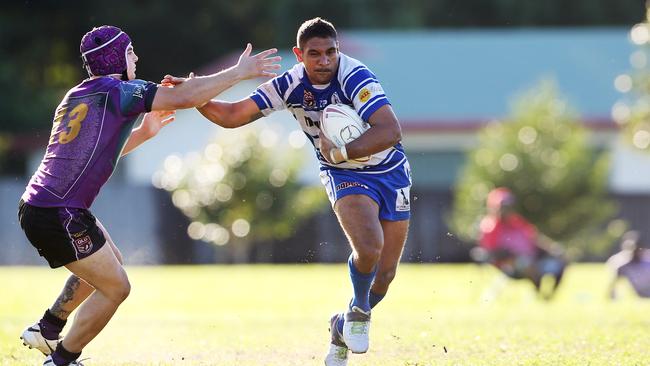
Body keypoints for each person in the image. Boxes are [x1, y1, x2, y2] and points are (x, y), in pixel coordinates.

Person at [18, 25, 280, 366]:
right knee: (117, 288)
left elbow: (94, 153)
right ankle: (62, 360)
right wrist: (239, 72)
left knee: (110, 262)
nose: (136, 58)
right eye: (130, 52)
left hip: (43, 205)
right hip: (59, 212)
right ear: (114, 58)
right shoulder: (120, 90)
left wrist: (143, 133)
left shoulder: (78, 94)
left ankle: (48, 329)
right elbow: (187, 97)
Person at [163, 17, 412, 366]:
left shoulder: (355, 75)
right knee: (369, 247)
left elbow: (390, 130)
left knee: (385, 275)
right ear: (299, 55)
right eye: (315, 54)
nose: (324, 60)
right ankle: (359, 313)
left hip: (389, 172)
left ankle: (342, 325)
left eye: (330, 52)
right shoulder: (289, 85)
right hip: (343, 175)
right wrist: (195, 97)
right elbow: (234, 114)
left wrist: (340, 150)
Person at [476, 187, 565, 299]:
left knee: (560, 262)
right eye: (503, 207)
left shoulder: (517, 221)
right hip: (509, 265)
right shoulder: (490, 226)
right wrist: (514, 256)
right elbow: (491, 252)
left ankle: (547, 296)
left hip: (532, 259)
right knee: (526, 264)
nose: (506, 210)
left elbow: (534, 238)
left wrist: (553, 249)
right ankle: (539, 292)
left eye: (508, 206)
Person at [607, 231, 650, 299]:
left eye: (636, 249)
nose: (634, 252)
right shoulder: (620, 262)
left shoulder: (647, 258)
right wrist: (612, 295)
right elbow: (613, 283)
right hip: (641, 293)